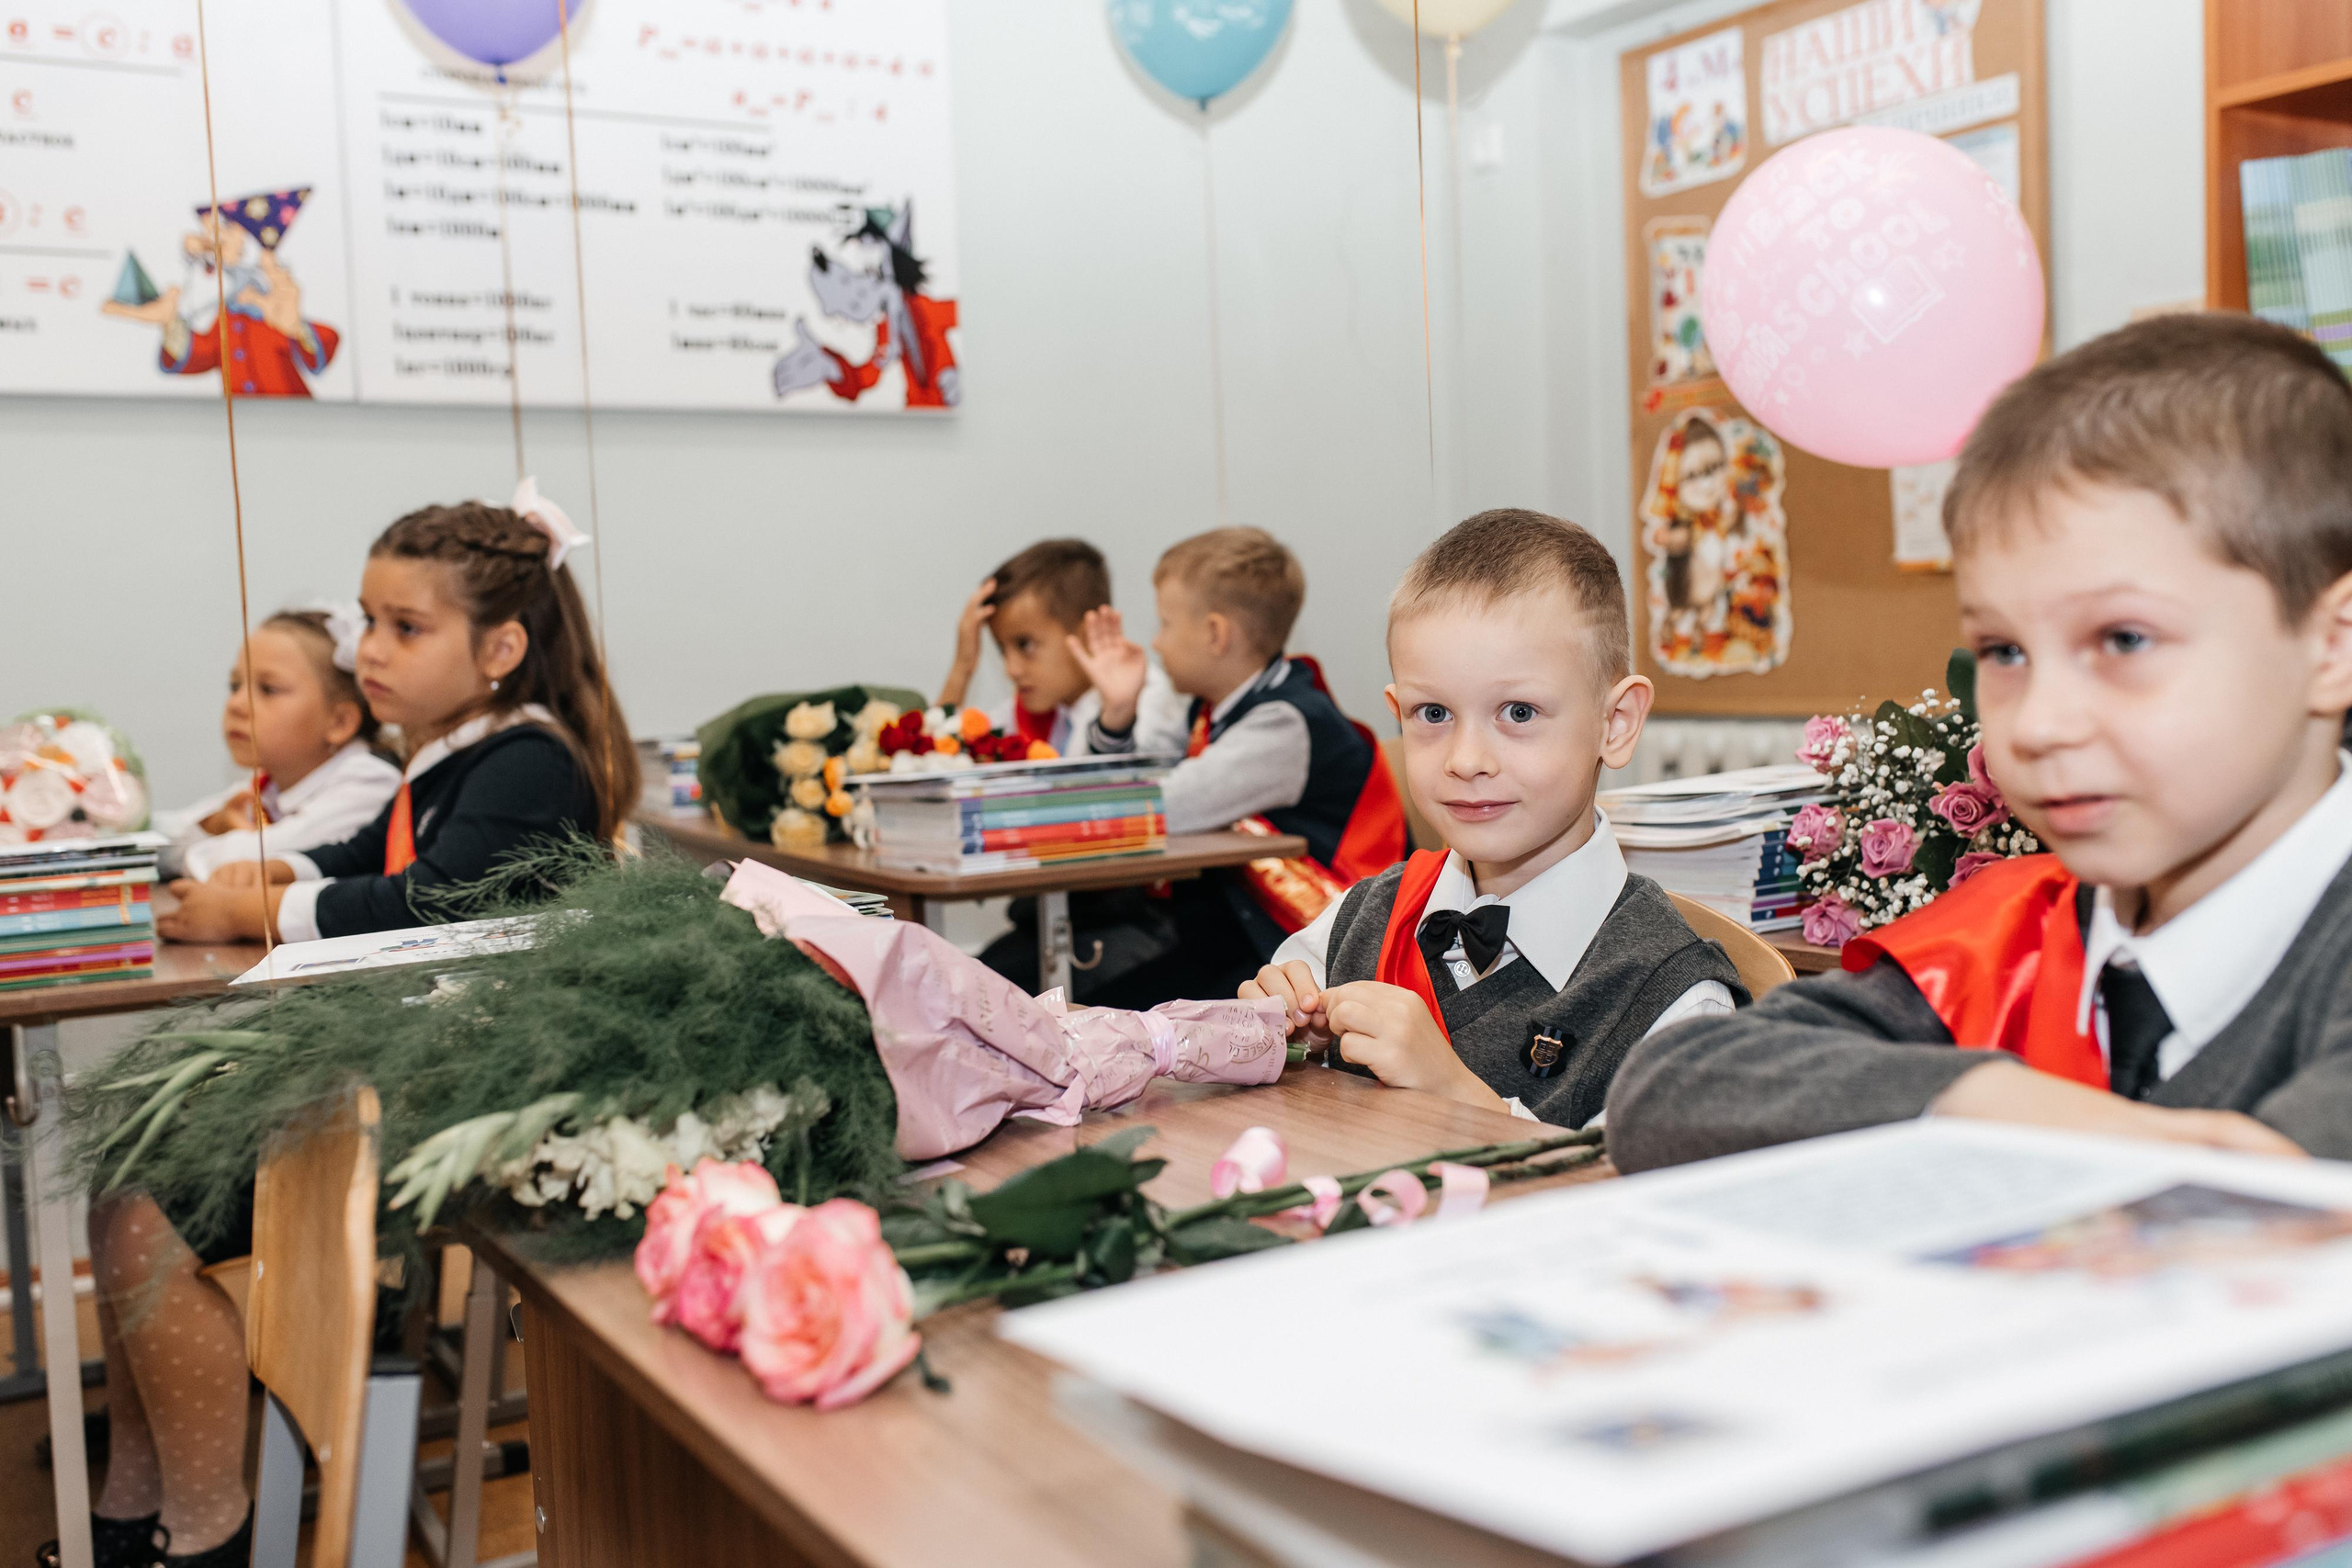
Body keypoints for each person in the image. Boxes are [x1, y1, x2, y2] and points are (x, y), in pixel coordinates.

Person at [1607, 313, 2352, 1171]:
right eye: (2004, 652)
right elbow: (1672, 1091)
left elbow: (2289, 1208)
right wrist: (1993, 1102)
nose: (2034, 724)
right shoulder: (2024, 934)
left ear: (2330, 646)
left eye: (2124, 640)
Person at [1240, 510, 1744, 1126]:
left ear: (1615, 724)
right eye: (1433, 714)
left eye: (1520, 712)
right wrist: (1284, 1039)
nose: (1467, 759)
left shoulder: (1675, 996)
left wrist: (1462, 1098)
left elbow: (1637, 1203)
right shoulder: (1359, 921)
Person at [157, 488, 638, 944]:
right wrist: (282, 870)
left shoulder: (528, 761)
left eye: (407, 628)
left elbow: (427, 900)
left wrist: (252, 913)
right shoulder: (452, 749)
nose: (371, 651)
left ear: (500, 650)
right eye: (370, 621)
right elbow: (367, 851)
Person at [152, 605, 399, 883]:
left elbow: (254, 859)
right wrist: (212, 824)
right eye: (235, 686)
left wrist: (191, 850)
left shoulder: (370, 781)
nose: (236, 705)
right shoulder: (267, 786)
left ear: (339, 722)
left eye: (268, 689)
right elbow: (153, 838)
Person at [933, 537, 1185, 757]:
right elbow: (930, 758)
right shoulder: (1033, 709)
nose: (1011, 669)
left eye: (1025, 645)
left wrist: (1117, 718)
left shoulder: (1146, 699)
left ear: (1087, 634)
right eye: (1002, 650)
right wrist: (962, 668)